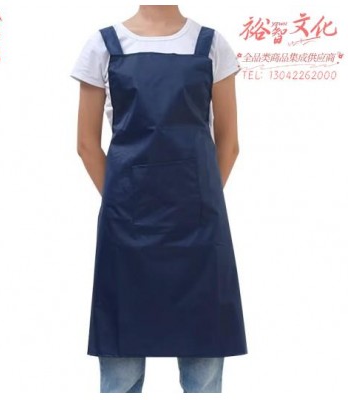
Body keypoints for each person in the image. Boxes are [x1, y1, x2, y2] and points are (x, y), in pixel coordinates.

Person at [70, 5, 248, 393]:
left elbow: (229, 144)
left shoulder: (211, 44)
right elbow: (86, 144)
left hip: (189, 226)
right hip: (136, 225)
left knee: (198, 360)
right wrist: (126, 202)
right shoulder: (104, 45)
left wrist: (195, 202)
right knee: (130, 366)